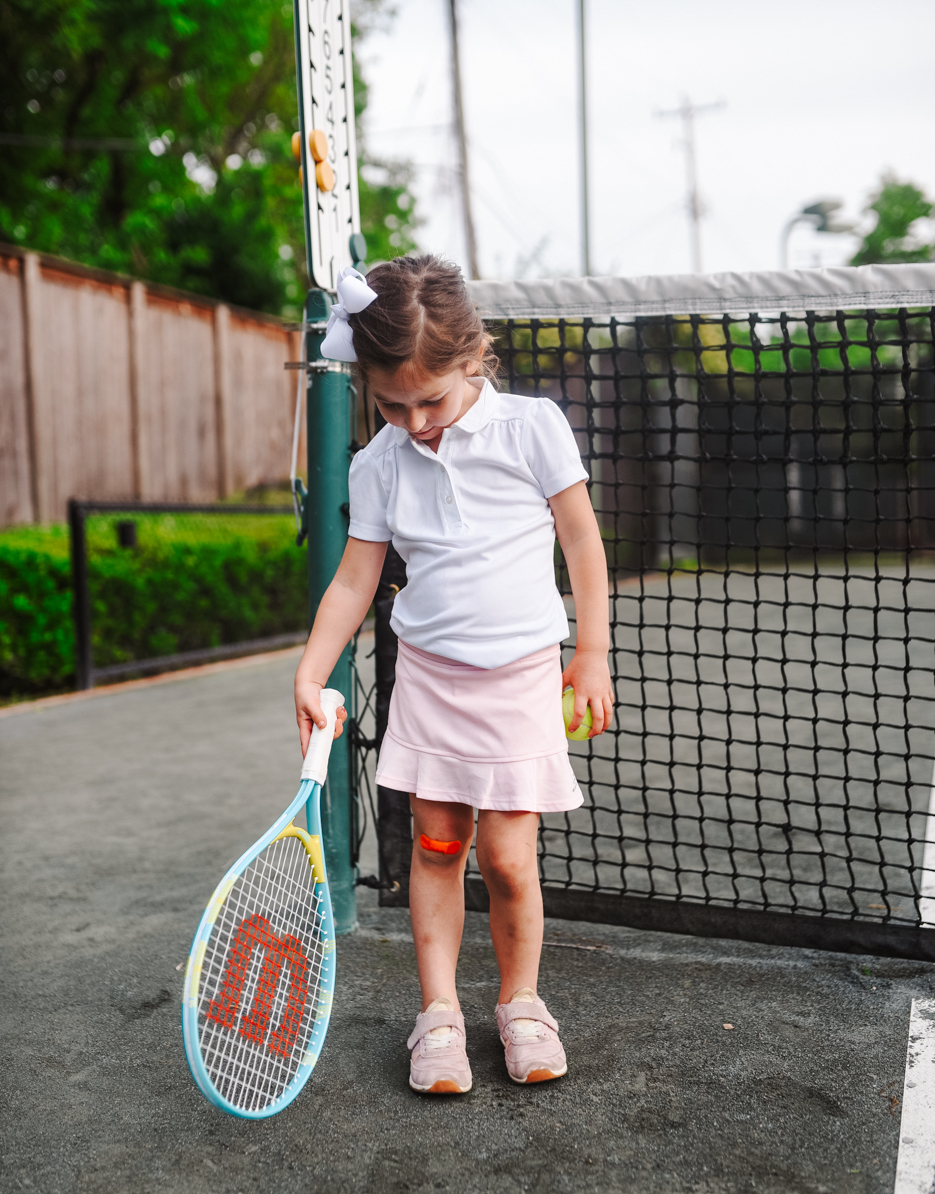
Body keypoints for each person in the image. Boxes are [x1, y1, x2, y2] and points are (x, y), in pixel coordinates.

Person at [294, 255, 613, 1094]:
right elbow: (356, 579)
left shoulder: (533, 428)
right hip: (431, 682)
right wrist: (310, 672)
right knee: (436, 848)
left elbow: (580, 541)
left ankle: (521, 1004)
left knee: (508, 858)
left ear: (474, 359)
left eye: (428, 399)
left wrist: (591, 654)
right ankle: (436, 1014)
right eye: (390, 404)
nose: (413, 419)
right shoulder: (379, 463)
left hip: (519, 681)